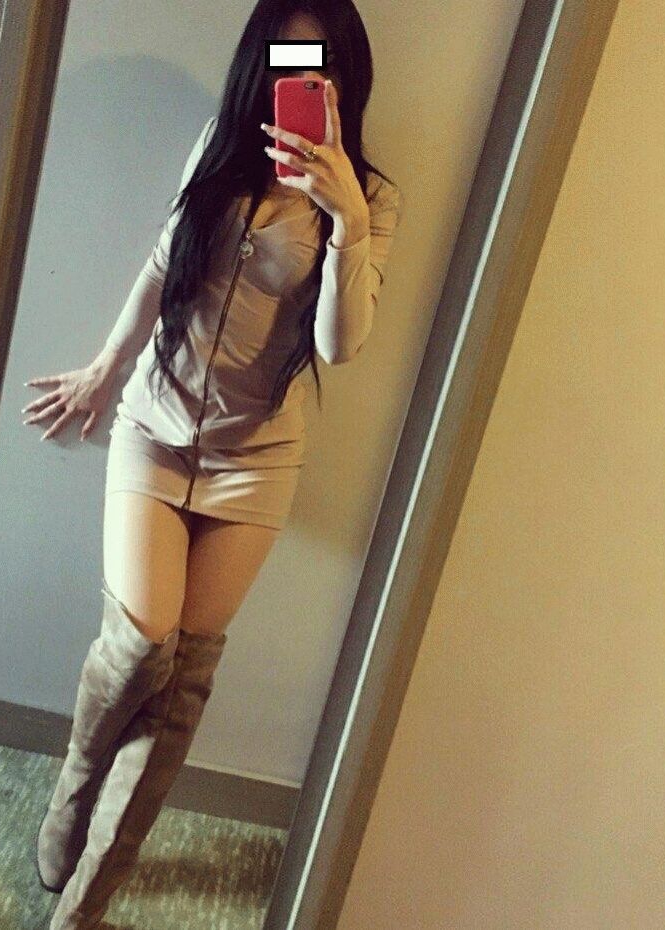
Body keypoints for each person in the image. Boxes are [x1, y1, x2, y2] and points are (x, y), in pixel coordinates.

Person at [24, 2, 403, 925]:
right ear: (259, 67)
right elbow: (164, 267)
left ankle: (94, 887)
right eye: (288, 62)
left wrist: (345, 221)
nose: (305, 81)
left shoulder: (370, 201)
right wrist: (104, 370)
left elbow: (341, 344)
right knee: (140, 643)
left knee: (185, 679)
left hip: (255, 464)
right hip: (154, 429)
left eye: (322, 66)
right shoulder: (218, 151)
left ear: (347, 77)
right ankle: (74, 791)